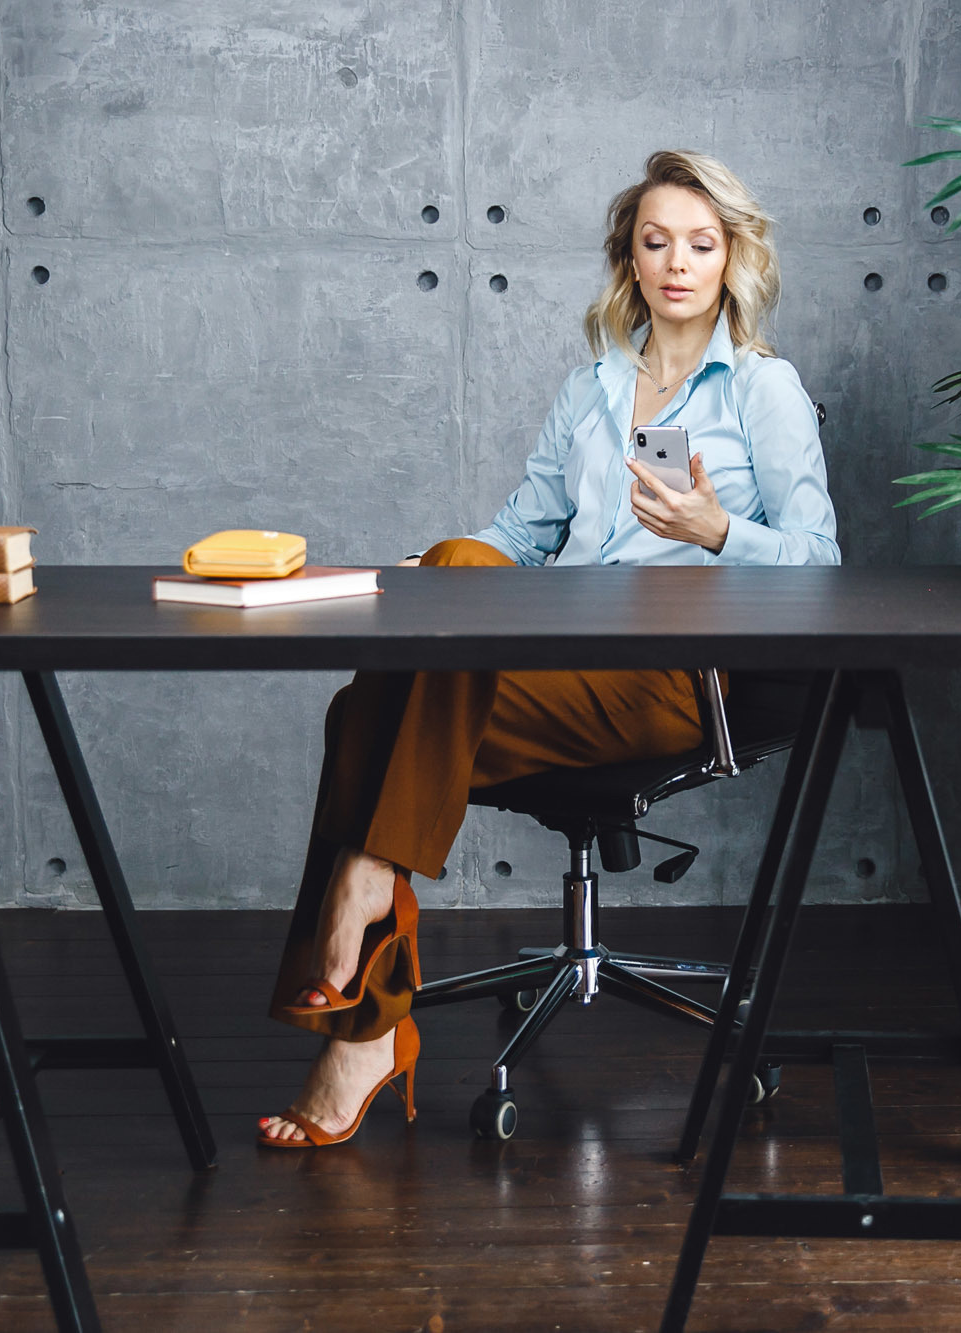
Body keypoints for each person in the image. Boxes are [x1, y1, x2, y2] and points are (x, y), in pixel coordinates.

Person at [257, 149, 840, 1147]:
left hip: (669, 676)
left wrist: (716, 533)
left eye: (701, 244)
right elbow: (519, 538)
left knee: (366, 714)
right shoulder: (591, 389)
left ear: (732, 258)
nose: (678, 263)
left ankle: (366, 954)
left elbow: (820, 563)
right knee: (440, 585)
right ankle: (366, 989)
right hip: (552, 648)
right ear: (629, 258)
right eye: (656, 241)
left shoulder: (760, 389)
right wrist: (427, 568)